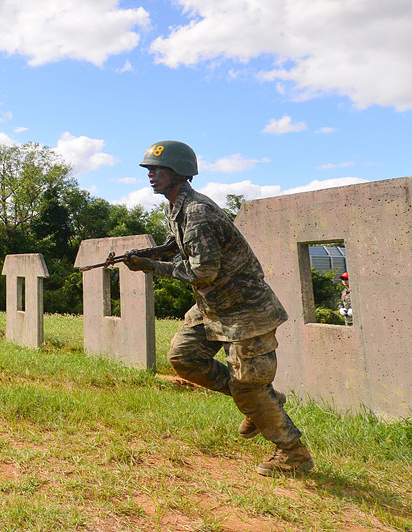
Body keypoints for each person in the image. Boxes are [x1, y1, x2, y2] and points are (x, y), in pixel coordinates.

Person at [123, 140, 313, 477]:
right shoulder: (175, 207)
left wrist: (151, 267)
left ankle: (293, 454)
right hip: (214, 307)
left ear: (178, 173)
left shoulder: (197, 212)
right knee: (184, 356)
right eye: (149, 169)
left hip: (246, 312)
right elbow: (181, 245)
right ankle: (259, 404)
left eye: (158, 169)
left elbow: (202, 271)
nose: (151, 174)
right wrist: (152, 253)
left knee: (249, 386)